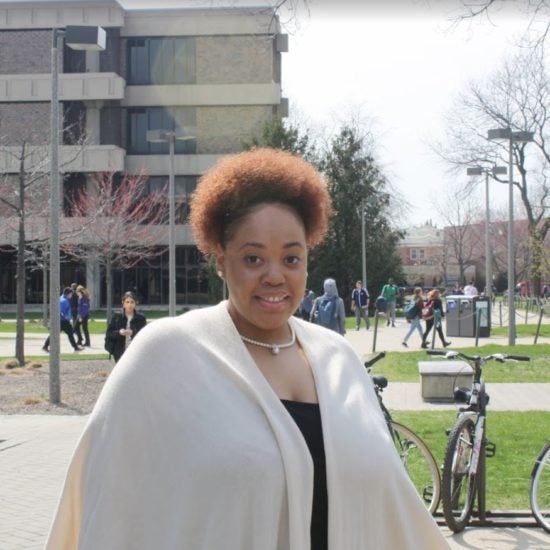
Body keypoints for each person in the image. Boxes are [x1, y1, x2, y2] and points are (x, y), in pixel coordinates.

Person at [46, 148, 449, 550]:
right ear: (220, 260)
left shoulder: (339, 359)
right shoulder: (167, 355)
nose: (275, 276)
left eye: (291, 257)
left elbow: (397, 513)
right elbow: (109, 507)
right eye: (253, 258)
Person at [104, 291, 147, 363]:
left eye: (132, 302)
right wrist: (119, 332)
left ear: (135, 303)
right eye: (127, 302)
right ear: (123, 303)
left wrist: (133, 332)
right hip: (119, 352)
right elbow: (109, 333)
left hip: (135, 352)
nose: (129, 305)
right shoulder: (116, 317)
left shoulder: (141, 318)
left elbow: (145, 336)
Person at [42, 287, 84, 353]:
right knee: (65, 334)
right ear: (68, 294)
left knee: (64, 334)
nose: (71, 296)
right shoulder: (64, 301)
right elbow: (60, 310)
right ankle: (75, 348)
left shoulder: (60, 298)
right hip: (63, 321)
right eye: (71, 294)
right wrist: (65, 316)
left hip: (61, 321)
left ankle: (75, 347)